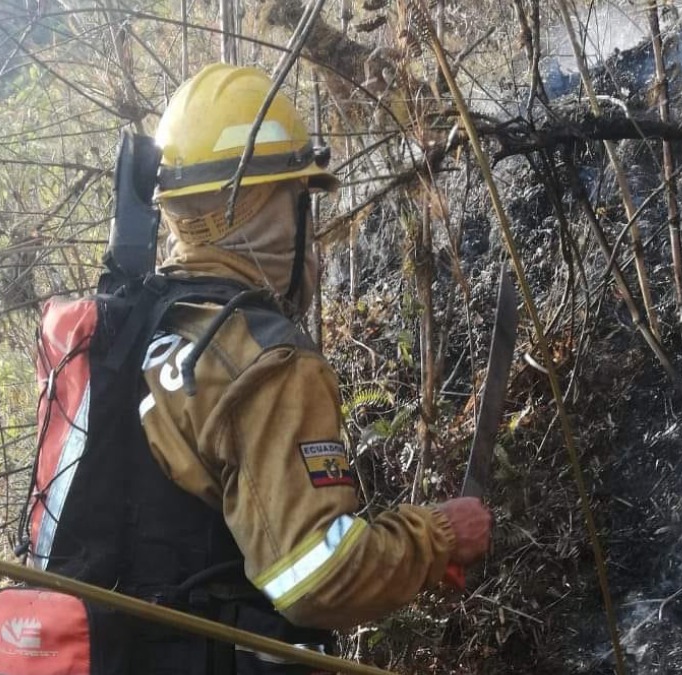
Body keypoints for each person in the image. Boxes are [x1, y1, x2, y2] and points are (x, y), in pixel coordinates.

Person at [131, 62, 493, 669]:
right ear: (268, 208)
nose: (311, 231)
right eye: (302, 202)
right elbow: (316, 579)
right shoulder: (259, 361)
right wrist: (439, 536)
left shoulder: (133, 325)